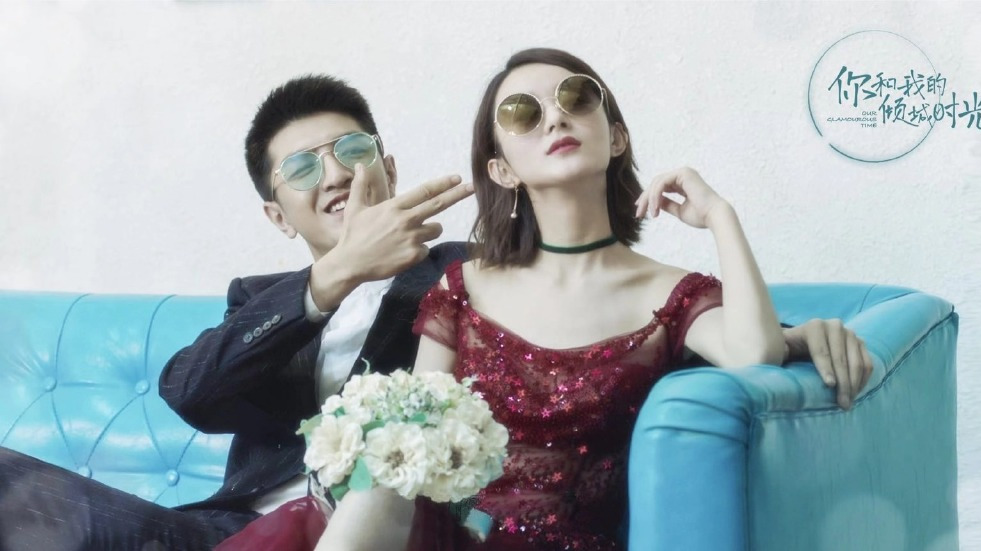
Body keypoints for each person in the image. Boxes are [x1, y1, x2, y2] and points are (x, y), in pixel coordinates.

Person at [0, 71, 868, 550]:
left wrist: (794, 337)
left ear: (387, 162)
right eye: (302, 168)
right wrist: (335, 276)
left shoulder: (469, 277)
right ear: (276, 214)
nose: (335, 173)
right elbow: (187, 390)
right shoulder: (256, 302)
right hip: (230, 534)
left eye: (351, 148)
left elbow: (596, 320)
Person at [311, 48, 876, 551]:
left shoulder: (670, 294)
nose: (556, 118)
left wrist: (721, 217)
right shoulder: (464, 289)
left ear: (617, 136)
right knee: (375, 491)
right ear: (501, 169)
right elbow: (414, 441)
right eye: (523, 114)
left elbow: (754, 354)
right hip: (446, 537)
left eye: (576, 98)